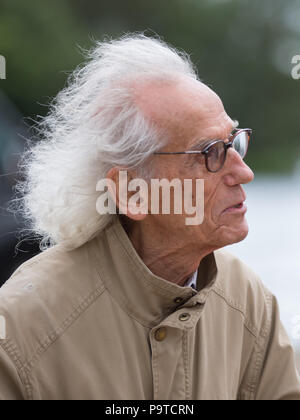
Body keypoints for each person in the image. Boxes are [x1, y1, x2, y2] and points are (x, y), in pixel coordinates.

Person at [0, 34, 299, 400]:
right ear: (131, 193)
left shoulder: (247, 300)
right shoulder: (21, 325)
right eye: (210, 153)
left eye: (234, 142)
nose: (244, 172)